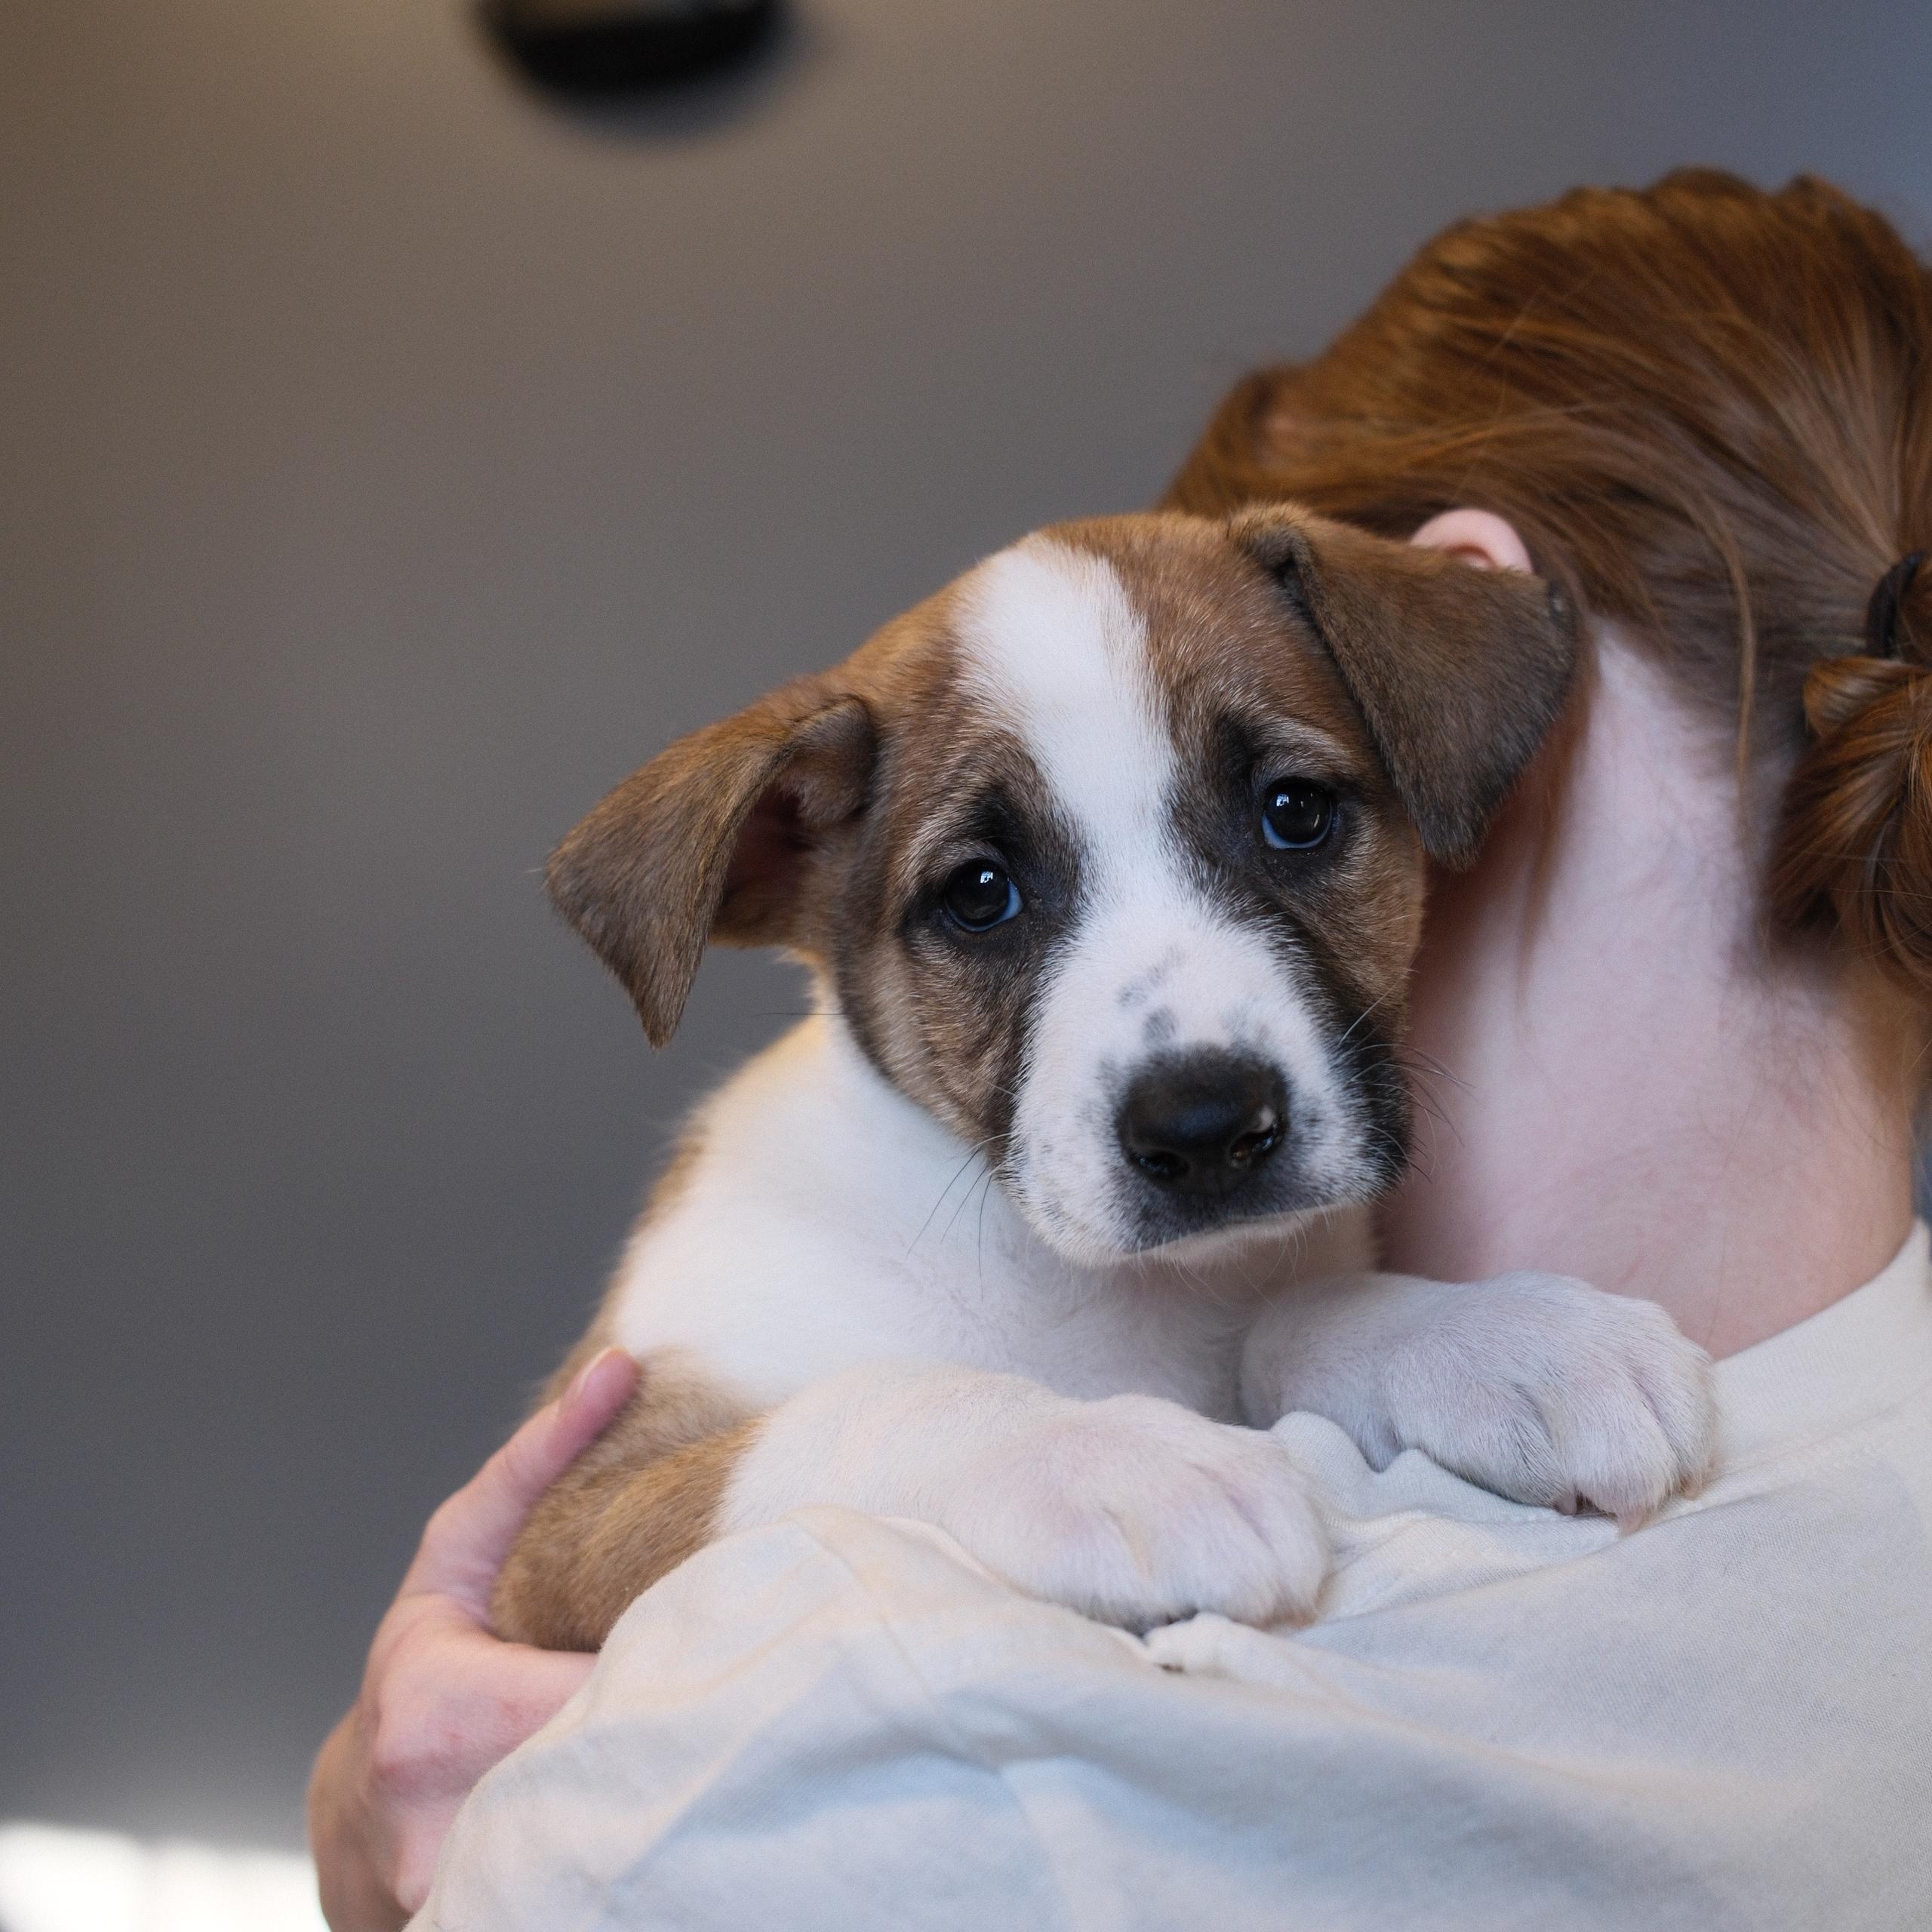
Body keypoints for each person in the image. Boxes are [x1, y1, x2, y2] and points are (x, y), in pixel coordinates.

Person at [310, 169, 1932, 1928]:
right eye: (986, 892)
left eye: (1292, 813)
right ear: (785, 864)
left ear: (1449, 648)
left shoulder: (892, 1755)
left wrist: (365, 1842)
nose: (1187, 1046)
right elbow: (587, 1527)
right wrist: (949, 1437)